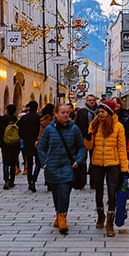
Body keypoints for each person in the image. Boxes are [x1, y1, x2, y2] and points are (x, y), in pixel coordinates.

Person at [36, 102, 86, 235]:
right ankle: (58, 214)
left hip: (68, 166)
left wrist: (78, 160)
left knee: (64, 192)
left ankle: (63, 217)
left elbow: (81, 147)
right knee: (56, 194)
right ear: (56, 114)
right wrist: (45, 162)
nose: (66, 115)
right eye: (63, 113)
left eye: (67, 113)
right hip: (52, 166)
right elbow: (41, 147)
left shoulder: (74, 129)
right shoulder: (49, 129)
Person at [85, 101, 129, 237]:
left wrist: (124, 168)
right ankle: (101, 215)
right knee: (98, 191)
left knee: (112, 192)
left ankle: (110, 223)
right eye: (99, 112)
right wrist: (88, 137)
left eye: (103, 112)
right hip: (97, 163)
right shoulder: (94, 125)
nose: (100, 114)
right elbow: (89, 147)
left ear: (109, 112)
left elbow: (122, 148)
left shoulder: (118, 127)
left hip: (113, 164)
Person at [71, 94, 99, 190]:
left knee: (94, 161)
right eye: (89, 100)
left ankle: (94, 183)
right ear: (86, 101)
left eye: (93, 100)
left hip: (95, 139)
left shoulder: (99, 111)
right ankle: (81, 182)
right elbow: (77, 125)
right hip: (83, 138)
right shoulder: (82, 111)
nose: (91, 102)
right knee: (82, 161)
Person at [18, 101, 43, 192]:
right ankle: (34, 178)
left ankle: (29, 181)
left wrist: (24, 138)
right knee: (38, 162)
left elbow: (19, 131)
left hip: (27, 142)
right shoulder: (39, 118)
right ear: (36, 108)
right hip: (37, 142)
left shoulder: (24, 118)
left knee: (29, 163)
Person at [0, 103, 20, 189]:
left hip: (5, 143)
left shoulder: (2, 119)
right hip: (15, 144)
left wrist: (1, 140)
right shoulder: (16, 120)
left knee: (5, 163)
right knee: (13, 163)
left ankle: (6, 180)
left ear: (6, 110)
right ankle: (12, 181)